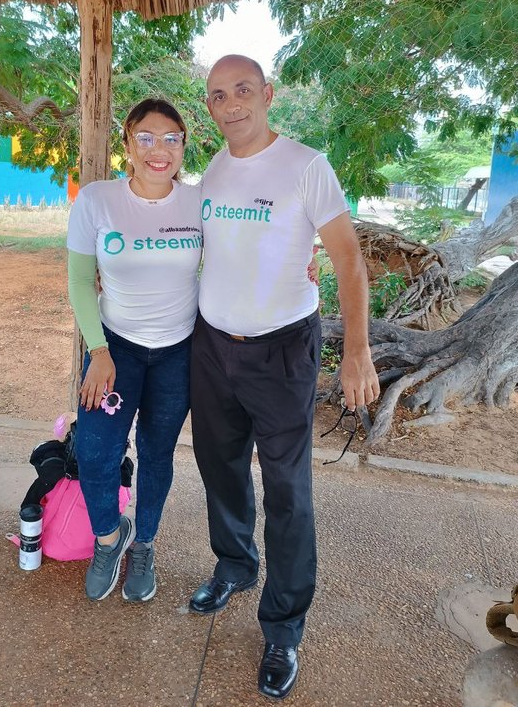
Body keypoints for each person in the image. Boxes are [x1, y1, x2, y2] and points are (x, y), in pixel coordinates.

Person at [188, 55, 380, 700]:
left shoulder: (306, 165)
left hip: (282, 353)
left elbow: (348, 257)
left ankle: (284, 624)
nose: (231, 103)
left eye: (243, 90)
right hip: (212, 347)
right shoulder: (212, 170)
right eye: (218, 95)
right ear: (209, 106)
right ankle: (236, 566)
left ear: (267, 95)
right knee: (219, 465)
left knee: (288, 490)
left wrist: (357, 352)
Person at [67, 98, 202, 603]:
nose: (158, 150)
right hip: (114, 349)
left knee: (156, 453)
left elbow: (246, 245)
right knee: (97, 451)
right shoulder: (97, 200)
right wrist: (98, 352)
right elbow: (81, 281)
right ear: (127, 144)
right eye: (145, 137)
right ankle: (109, 539)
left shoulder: (198, 203)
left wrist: (294, 268)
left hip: (178, 352)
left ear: (184, 147)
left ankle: (144, 544)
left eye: (171, 138)